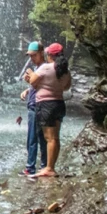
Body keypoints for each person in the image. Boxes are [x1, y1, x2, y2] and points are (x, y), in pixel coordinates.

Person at [24, 42, 71, 178]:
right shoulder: (64, 70)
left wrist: (30, 74)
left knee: (49, 138)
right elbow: (66, 87)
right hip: (59, 104)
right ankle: (51, 166)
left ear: (49, 55)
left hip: (46, 106)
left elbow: (33, 81)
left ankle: (49, 168)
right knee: (55, 138)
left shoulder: (46, 68)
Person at [17, 42, 47, 176]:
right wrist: (28, 90)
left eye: (34, 55)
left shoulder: (43, 68)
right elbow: (39, 85)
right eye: (30, 55)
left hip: (37, 107)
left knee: (33, 139)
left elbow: (45, 85)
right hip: (36, 105)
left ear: (41, 53)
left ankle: (30, 168)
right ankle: (43, 166)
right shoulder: (40, 68)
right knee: (41, 138)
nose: (31, 58)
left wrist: (30, 77)